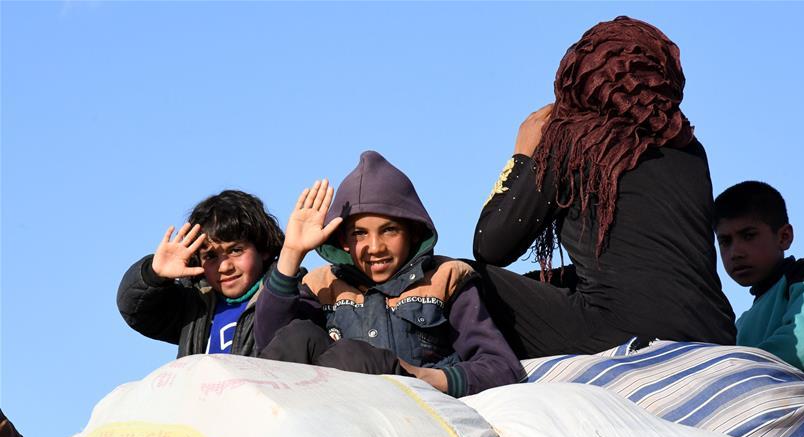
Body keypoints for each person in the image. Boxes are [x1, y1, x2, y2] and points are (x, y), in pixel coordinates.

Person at [472, 16, 735, 358]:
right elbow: (643, 264)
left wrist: (523, 156)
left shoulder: (575, 139)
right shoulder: (689, 148)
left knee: (462, 278)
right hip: (716, 330)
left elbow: (490, 246)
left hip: (623, 329)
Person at [254, 151, 523, 398]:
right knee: (299, 335)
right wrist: (291, 253)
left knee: (353, 356)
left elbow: (502, 368)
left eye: (389, 230)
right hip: (340, 412)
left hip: (415, 409)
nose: (375, 248)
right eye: (359, 234)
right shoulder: (322, 285)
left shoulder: (446, 279)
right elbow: (271, 348)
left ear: (413, 232)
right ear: (343, 241)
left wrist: (422, 377)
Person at [714, 180, 804, 381]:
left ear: (784, 237)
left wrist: (726, 372)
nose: (735, 252)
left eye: (748, 235)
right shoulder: (742, 323)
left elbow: (803, 347)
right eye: (725, 241)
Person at [117, 190, 285, 357]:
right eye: (210, 256)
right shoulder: (195, 306)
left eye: (235, 250)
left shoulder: (289, 298)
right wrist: (153, 275)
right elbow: (136, 311)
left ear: (263, 249)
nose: (224, 266)